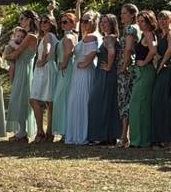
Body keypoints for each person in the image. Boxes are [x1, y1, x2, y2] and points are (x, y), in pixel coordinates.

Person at [64, 11, 100, 145]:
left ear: (94, 22)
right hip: (78, 72)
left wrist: (85, 63)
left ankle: (82, 134)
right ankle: (77, 133)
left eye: (87, 21)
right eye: (83, 21)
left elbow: (93, 52)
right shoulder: (85, 36)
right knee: (77, 101)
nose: (84, 24)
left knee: (82, 101)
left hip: (84, 72)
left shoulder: (91, 37)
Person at [5, 11, 39, 143]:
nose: (20, 21)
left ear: (29, 20)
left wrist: (7, 56)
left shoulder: (30, 36)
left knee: (21, 99)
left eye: (22, 19)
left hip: (24, 69)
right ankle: (21, 131)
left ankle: (23, 133)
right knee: (19, 99)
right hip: (22, 67)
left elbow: (16, 53)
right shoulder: (28, 36)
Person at [87, 14, 121, 145]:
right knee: (108, 103)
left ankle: (102, 136)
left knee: (97, 103)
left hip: (106, 74)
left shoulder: (109, 37)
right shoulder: (108, 37)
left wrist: (108, 66)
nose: (102, 24)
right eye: (101, 22)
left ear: (112, 24)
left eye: (106, 22)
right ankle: (108, 136)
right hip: (105, 73)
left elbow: (112, 52)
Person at [128, 10, 158, 148]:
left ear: (149, 22)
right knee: (139, 105)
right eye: (138, 21)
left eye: (143, 21)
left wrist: (145, 62)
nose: (140, 24)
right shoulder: (144, 34)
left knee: (139, 105)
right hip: (141, 71)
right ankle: (139, 138)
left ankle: (140, 139)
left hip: (145, 71)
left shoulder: (148, 34)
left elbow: (153, 50)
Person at [150, 11, 171, 147]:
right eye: (160, 19)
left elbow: (170, 50)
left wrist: (161, 64)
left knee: (163, 102)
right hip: (161, 68)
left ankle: (168, 138)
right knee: (157, 102)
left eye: (166, 19)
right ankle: (160, 137)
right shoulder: (160, 35)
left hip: (168, 69)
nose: (162, 21)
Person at [30, 13, 59, 142]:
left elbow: (47, 49)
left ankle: (41, 131)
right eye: (42, 22)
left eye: (46, 22)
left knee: (35, 99)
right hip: (51, 67)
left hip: (45, 68)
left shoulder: (48, 36)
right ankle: (49, 132)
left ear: (52, 23)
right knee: (49, 101)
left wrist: (42, 60)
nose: (43, 24)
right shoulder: (52, 36)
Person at [52, 12, 78, 141]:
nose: (63, 24)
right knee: (62, 98)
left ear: (73, 24)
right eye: (61, 22)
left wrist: (63, 63)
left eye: (66, 22)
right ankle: (64, 131)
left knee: (62, 98)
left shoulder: (69, 37)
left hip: (66, 70)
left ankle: (66, 131)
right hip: (65, 69)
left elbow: (69, 52)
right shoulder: (70, 36)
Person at [117, 3, 139, 147]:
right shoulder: (133, 28)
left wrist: (124, 65)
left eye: (125, 13)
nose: (122, 15)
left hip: (127, 67)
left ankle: (124, 135)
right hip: (128, 66)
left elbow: (129, 49)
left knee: (125, 100)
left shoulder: (131, 29)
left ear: (132, 14)